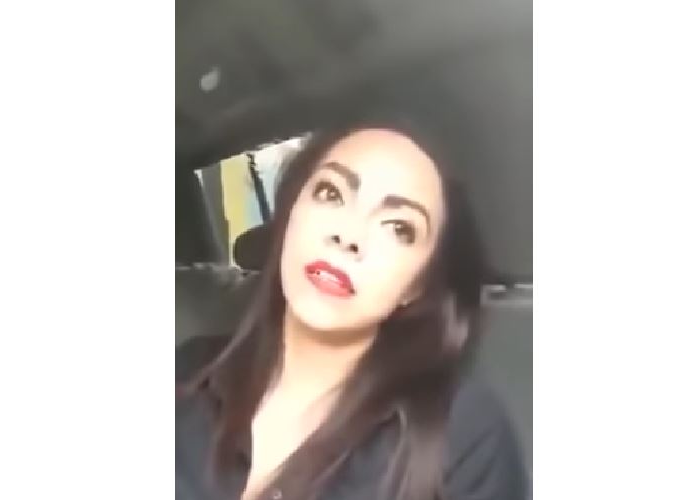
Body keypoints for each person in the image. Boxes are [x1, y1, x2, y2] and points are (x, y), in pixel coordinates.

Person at [176, 109, 528, 500]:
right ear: (290, 214)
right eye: (331, 194)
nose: (349, 236)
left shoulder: (464, 436)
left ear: (416, 286)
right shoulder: (187, 371)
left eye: (399, 228)